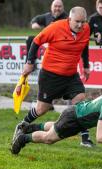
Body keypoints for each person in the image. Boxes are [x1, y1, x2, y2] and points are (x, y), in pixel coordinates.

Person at [11, 77, 102, 155]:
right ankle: (23, 138)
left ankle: (30, 127)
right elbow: (100, 137)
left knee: (56, 127)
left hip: (78, 116)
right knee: (49, 139)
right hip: (74, 118)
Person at [12, 6, 94, 148]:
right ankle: (22, 126)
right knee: (42, 109)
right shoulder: (55, 27)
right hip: (51, 75)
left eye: (83, 21)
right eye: (77, 22)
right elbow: (36, 41)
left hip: (71, 76)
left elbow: (84, 45)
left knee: (81, 104)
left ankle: (85, 139)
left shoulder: (86, 29)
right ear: (69, 19)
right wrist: (29, 62)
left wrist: (86, 65)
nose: (80, 25)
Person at [27, 0, 68, 111]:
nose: (57, 8)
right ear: (51, 7)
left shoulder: (68, 18)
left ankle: (57, 104)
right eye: (55, 6)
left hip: (61, 55)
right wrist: (34, 23)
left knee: (58, 81)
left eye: (59, 6)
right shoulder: (47, 16)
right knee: (45, 79)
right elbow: (35, 20)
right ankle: (45, 104)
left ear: (63, 8)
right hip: (48, 55)